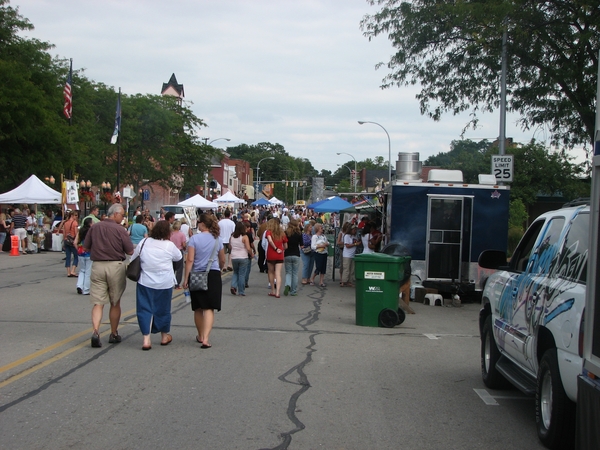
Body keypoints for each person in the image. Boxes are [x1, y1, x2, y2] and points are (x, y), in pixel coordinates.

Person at [83, 203, 134, 348]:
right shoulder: (120, 230)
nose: (123, 218)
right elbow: (130, 250)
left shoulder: (95, 227)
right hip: (115, 266)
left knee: (98, 302)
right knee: (115, 301)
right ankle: (113, 333)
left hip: (97, 265)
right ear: (115, 214)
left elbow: (85, 246)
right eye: (122, 215)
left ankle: (95, 331)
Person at [131, 220, 182, 350]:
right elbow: (178, 257)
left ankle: (146, 339)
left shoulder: (144, 242)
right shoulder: (169, 245)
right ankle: (164, 336)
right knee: (163, 309)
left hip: (145, 281)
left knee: (144, 309)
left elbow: (133, 258)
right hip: (164, 283)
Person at [183, 213, 225, 349]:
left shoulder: (194, 239)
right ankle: (206, 338)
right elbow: (222, 259)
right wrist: (220, 268)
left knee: (198, 307)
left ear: (202, 224)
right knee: (209, 307)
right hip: (212, 274)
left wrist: (186, 278)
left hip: (196, 274)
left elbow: (190, 260)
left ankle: (200, 335)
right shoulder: (217, 239)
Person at [265, 218, 287, 298]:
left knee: (271, 272)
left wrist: (275, 248)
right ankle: (278, 292)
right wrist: (280, 249)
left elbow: (270, 241)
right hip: (280, 254)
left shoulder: (269, 232)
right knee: (278, 273)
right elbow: (286, 246)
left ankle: (273, 290)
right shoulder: (282, 233)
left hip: (271, 254)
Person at [229, 221, 252, 296]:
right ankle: (241, 291)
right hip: (243, 257)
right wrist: (251, 254)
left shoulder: (232, 237)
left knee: (235, 272)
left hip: (234, 257)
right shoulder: (244, 237)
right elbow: (248, 248)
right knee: (242, 274)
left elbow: (230, 247)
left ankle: (233, 286)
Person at [283, 219, 302, 296]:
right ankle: (293, 291)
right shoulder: (299, 233)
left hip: (287, 254)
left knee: (288, 272)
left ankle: (288, 284)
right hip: (296, 254)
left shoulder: (286, 233)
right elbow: (302, 245)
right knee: (295, 274)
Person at [75, 217, 93, 295]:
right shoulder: (91, 232)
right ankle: (86, 289)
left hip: (80, 252)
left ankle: (79, 285)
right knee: (88, 271)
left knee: (82, 270)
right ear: (89, 224)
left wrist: (78, 249)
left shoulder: (80, 231)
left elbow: (75, 242)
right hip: (89, 253)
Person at [170, 220, 187, 288]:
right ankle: (177, 284)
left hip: (171, 251)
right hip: (179, 251)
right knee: (179, 269)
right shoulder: (181, 234)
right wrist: (184, 248)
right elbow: (184, 244)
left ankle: (171, 281)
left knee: (172, 268)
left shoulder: (170, 234)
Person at [63, 211, 80, 277]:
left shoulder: (65, 222)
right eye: (76, 215)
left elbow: (64, 233)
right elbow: (76, 234)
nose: (77, 217)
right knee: (76, 256)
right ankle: (73, 271)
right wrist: (77, 241)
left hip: (66, 241)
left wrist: (64, 241)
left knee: (68, 256)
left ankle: (68, 272)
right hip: (72, 241)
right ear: (72, 215)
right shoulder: (74, 223)